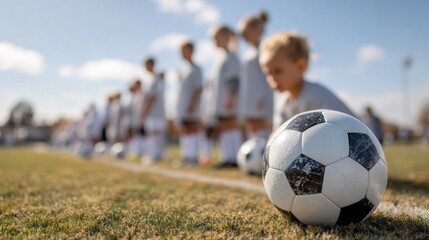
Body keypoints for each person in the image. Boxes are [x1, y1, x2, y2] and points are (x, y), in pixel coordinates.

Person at [259, 32, 355, 129]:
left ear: (300, 66)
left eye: (278, 71)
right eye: (268, 73)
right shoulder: (282, 103)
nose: (272, 78)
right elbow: (277, 135)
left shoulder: (317, 95)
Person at [210, 25, 242, 168]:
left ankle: (234, 157)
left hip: (227, 100)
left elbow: (233, 80)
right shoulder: (221, 57)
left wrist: (230, 97)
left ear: (225, 37)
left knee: (231, 126)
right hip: (220, 100)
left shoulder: (231, 57)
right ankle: (226, 157)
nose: (214, 41)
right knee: (223, 127)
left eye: (216, 38)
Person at [238, 10, 273, 140]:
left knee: (261, 126)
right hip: (249, 97)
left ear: (257, 30)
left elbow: (266, 77)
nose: (244, 36)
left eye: (246, 32)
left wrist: (261, 97)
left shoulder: (264, 50)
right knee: (252, 126)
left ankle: (264, 154)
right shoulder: (249, 52)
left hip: (260, 98)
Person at [176, 40, 203, 166]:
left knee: (191, 129)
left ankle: (193, 157)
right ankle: (187, 155)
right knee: (185, 130)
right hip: (183, 106)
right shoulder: (184, 70)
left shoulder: (196, 69)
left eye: (184, 50)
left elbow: (198, 89)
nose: (182, 53)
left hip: (191, 106)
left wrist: (192, 104)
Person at [141, 57, 166, 164]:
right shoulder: (154, 78)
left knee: (154, 133)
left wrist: (145, 109)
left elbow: (152, 96)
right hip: (156, 112)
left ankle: (156, 154)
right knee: (155, 133)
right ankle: (156, 153)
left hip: (155, 111)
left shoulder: (154, 79)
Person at [127, 79, 147, 157]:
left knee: (142, 134)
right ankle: (137, 151)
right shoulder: (135, 96)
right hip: (135, 119)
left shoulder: (142, 94)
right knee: (136, 135)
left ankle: (143, 151)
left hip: (141, 118)